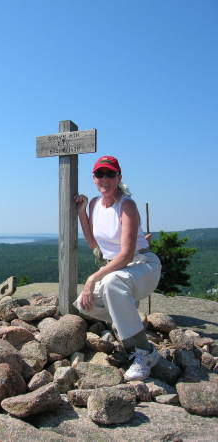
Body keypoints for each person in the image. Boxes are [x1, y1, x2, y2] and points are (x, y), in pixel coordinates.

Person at [74, 155, 162, 381]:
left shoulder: (127, 205)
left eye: (110, 174)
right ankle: (125, 315)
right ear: (93, 178)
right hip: (119, 270)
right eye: (99, 174)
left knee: (112, 284)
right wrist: (82, 211)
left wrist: (93, 278)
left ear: (118, 177)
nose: (105, 178)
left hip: (143, 266)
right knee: (84, 304)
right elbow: (95, 244)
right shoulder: (94, 204)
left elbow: (126, 254)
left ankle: (144, 352)